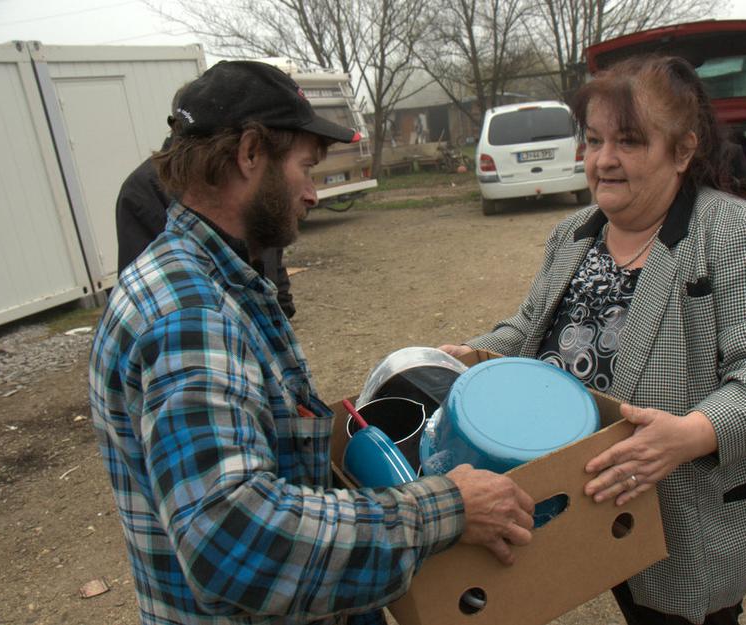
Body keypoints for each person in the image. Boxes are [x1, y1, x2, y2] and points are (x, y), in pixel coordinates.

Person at [89, 60, 534, 625]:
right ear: (250, 153)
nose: (314, 193)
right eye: (305, 167)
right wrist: (447, 508)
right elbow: (232, 536)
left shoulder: (207, 276)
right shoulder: (188, 314)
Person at [440, 55, 746, 625]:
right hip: (593, 501)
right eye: (593, 141)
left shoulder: (740, 235)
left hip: (689, 513)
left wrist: (691, 433)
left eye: (630, 141)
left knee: (678, 615)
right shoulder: (573, 233)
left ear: (684, 150)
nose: (604, 161)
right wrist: (474, 356)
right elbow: (530, 325)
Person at [115, 82, 297, 318]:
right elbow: (143, 286)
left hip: (255, 314)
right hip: (210, 317)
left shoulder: (236, 170)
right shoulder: (143, 187)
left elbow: (269, 245)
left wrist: (281, 302)